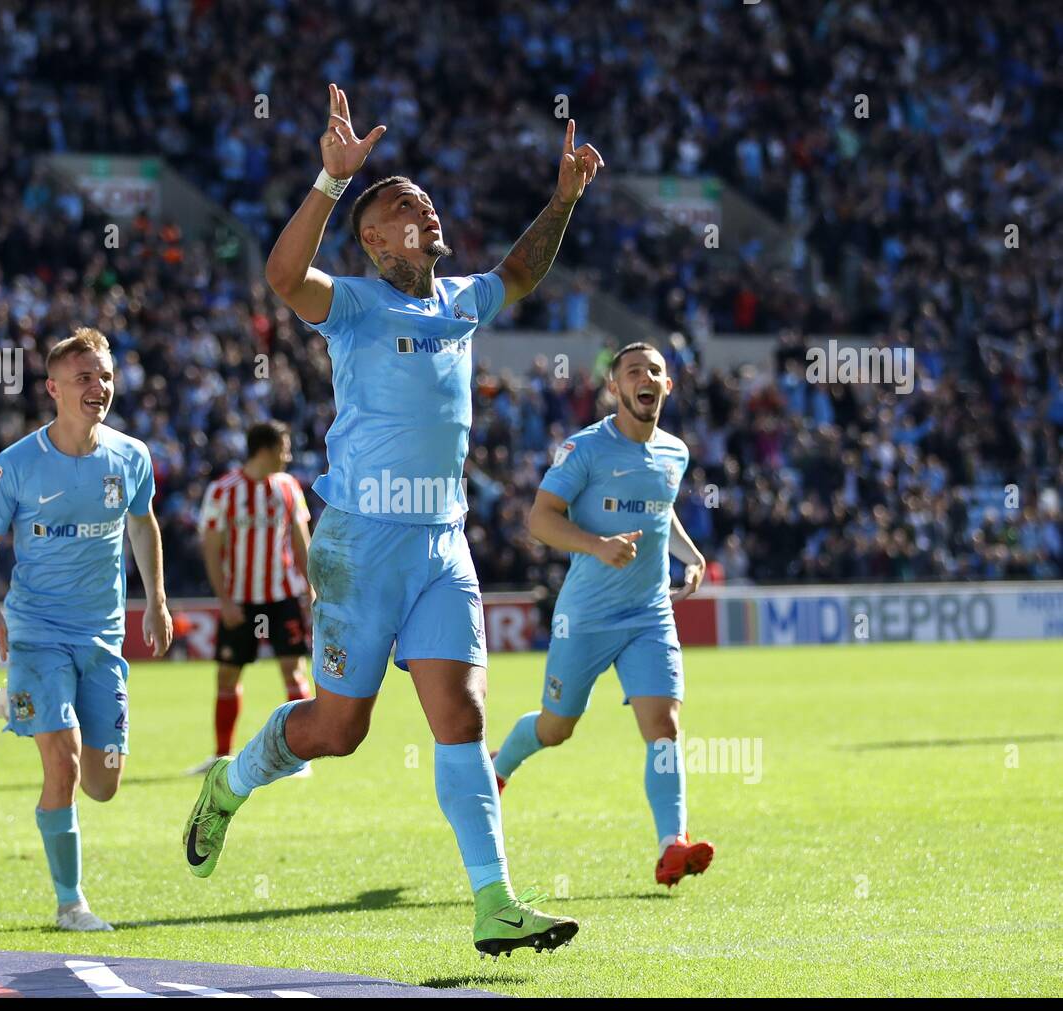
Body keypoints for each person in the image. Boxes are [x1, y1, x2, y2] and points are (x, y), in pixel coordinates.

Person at [182, 84, 603, 957]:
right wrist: (331, 183)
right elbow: (283, 278)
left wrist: (561, 199)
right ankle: (233, 781)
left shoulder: (459, 302)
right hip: (362, 544)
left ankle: (494, 902)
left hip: (442, 545)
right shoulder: (357, 306)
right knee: (339, 731)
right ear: (375, 241)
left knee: (464, 718)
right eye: (408, 207)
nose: (428, 211)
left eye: (426, 202)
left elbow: (521, 271)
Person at [0, 327, 172, 931]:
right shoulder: (15, 466)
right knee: (65, 765)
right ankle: (70, 903)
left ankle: (18, 703)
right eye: (85, 377)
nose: (99, 387)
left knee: (104, 784)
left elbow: (145, 525)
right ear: (53, 389)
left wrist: (156, 599)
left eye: (105, 375)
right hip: (37, 632)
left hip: (101, 636)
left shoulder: (130, 456)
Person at [492, 342, 715, 887]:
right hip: (585, 617)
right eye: (633, 371)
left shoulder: (674, 452)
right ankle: (496, 767)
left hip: (649, 615)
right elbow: (540, 520)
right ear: (613, 388)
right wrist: (596, 545)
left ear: (667, 386)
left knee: (664, 727)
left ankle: (672, 846)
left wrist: (690, 556)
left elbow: (661, 514)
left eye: (655, 371)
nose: (646, 377)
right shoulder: (585, 449)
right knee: (556, 728)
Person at [189, 420, 314, 777]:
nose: (288, 456)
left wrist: (310, 586)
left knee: (293, 670)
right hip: (240, 600)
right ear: (267, 449)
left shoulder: (289, 487)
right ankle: (222, 756)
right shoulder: (223, 491)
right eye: (285, 448)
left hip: (282, 595)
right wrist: (224, 599)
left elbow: (300, 541)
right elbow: (211, 549)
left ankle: (299, 758)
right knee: (227, 675)